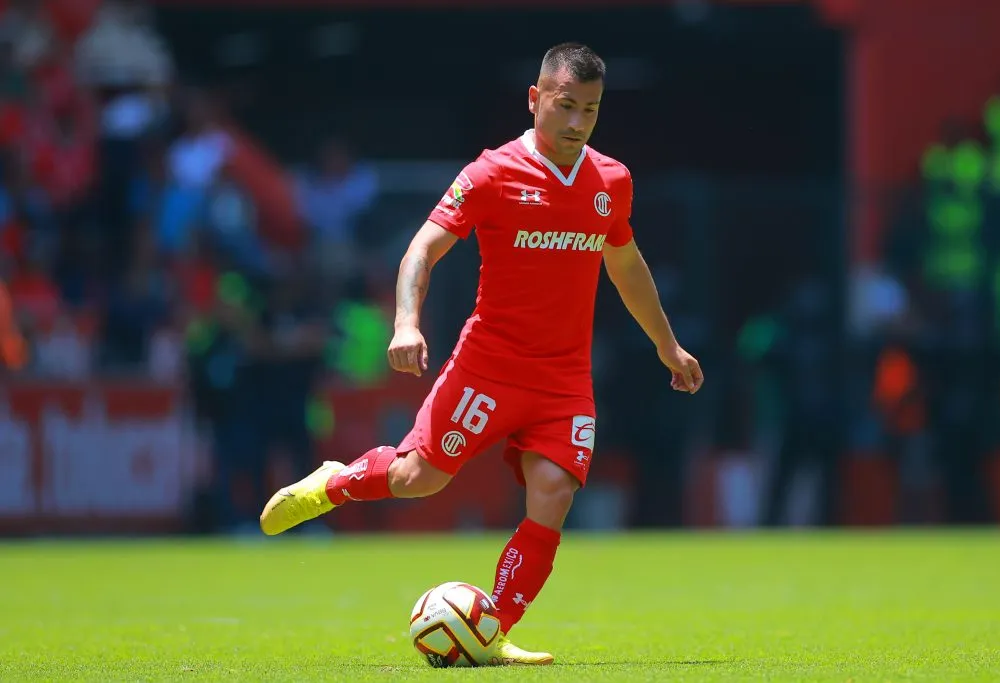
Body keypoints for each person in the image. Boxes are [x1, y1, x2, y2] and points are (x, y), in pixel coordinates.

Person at [259, 42, 704, 665]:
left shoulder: (612, 180)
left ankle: (491, 631)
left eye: (591, 111)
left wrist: (668, 345)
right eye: (566, 105)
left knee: (554, 492)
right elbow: (422, 249)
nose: (577, 123)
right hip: (488, 368)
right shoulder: (491, 173)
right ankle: (337, 483)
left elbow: (625, 264)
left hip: (564, 380)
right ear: (535, 98)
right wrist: (406, 323)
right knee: (421, 479)